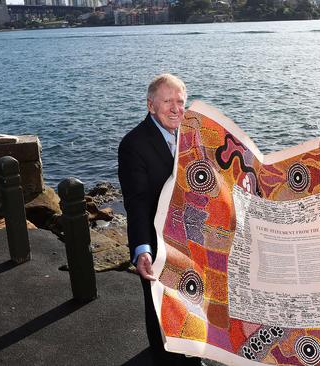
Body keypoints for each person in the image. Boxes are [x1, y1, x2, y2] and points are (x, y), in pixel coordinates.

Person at [118, 74, 201, 365]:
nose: (176, 108)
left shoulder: (192, 135)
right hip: (158, 243)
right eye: (168, 101)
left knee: (192, 304)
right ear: (151, 105)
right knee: (160, 311)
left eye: (181, 101)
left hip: (192, 239)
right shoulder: (133, 145)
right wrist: (143, 249)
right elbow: (136, 203)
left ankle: (192, 355)